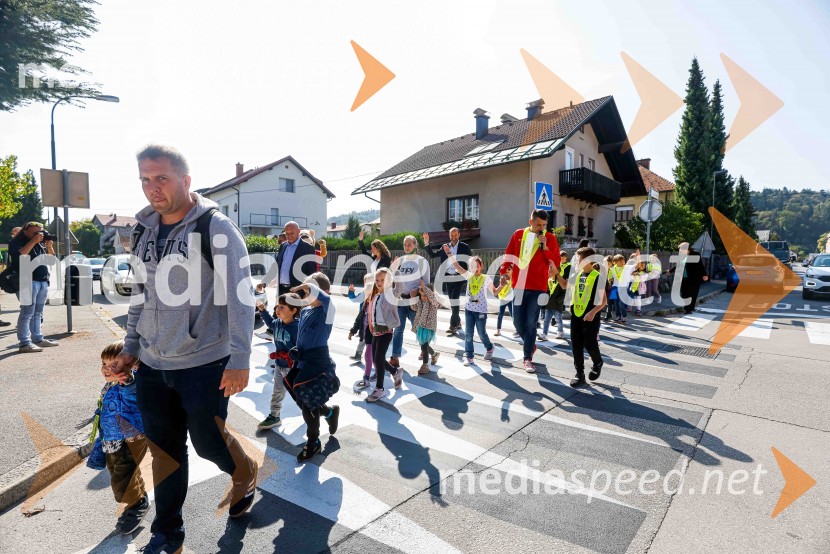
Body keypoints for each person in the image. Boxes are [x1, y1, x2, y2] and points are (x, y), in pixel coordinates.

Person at [111, 145, 257, 554]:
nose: (152, 188)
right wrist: (131, 346)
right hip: (153, 365)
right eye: (145, 179)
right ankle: (167, 534)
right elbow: (140, 295)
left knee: (209, 443)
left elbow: (241, 297)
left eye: (161, 178)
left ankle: (243, 470)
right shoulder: (141, 231)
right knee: (165, 451)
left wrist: (241, 358)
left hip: (205, 363)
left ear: (185, 181)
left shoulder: (216, 228)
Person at [86, 340, 149, 536]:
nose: (107, 369)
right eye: (104, 364)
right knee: (120, 472)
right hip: (112, 438)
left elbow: (132, 395)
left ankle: (137, 504)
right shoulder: (110, 385)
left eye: (114, 365)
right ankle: (138, 496)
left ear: (132, 365)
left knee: (122, 478)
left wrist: (128, 380)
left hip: (129, 438)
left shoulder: (129, 383)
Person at [285, 273, 341, 462]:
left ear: (324, 292)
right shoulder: (307, 310)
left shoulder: (327, 309)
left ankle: (313, 441)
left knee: (308, 404)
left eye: (310, 291)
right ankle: (330, 412)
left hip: (318, 362)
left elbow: (322, 297)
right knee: (303, 400)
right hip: (303, 360)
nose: (307, 295)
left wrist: (306, 286)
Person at [499, 210, 560, 373]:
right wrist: (504, 272)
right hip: (518, 284)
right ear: (530, 222)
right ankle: (530, 345)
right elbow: (509, 254)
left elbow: (556, 261)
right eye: (539, 224)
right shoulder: (518, 234)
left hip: (538, 287)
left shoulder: (550, 238)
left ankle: (527, 358)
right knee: (517, 322)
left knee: (531, 323)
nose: (542, 228)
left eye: (544, 225)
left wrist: (545, 247)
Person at [446, 249, 506, 366]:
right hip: (469, 310)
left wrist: (502, 286)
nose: (474, 268)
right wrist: (449, 254)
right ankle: (469, 356)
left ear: (481, 266)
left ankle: (489, 347)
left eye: (476, 265)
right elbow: (457, 266)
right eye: (472, 266)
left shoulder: (485, 278)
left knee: (481, 333)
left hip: (481, 311)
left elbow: (494, 292)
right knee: (468, 334)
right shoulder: (468, 276)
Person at [8, 221, 58, 353]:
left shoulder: (39, 243)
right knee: (27, 313)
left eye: (40, 232)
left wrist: (49, 246)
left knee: (38, 312)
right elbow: (22, 254)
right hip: (27, 281)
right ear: (25, 231)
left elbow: (51, 260)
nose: (39, 234)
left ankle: (37, 339)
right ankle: (24, 343)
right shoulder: (16, 242)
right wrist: (34, 241)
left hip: (42, 281)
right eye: (35, 232)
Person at [256, 294, 300, 430]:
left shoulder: (297, 328)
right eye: (277, 306)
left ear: (293, 311)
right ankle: (274, 416)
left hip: (293, 369)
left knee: (300, 393)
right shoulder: (277, 323)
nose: (278, 309)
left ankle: (317, 410)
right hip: (279, 366)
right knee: (277, 392)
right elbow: (270, 323)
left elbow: (302, 349)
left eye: (282, 307)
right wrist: (262, 310)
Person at [566, 247, 607, 387]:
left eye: (580, 259)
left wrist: (592, 312)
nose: (578, 262)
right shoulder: (577, 275)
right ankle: (580, 374)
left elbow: (603, 302)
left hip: (591, 317)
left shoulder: (598, 277)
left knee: (590, 344)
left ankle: (598, 362)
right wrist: (555, 274)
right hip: (576, 315)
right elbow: (565, 286)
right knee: (576, 345)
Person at [389, 235, 431, 368]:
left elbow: (427, 284)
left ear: (415, 246)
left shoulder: (422, 261)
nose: (406, 247)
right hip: (401, 301)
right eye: (404, 245)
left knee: (418, 330)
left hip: (414, 302)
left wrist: (418, 290)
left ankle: (429, 353)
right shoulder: (400, 260)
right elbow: (393, 280)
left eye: (409, 244)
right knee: (398, 330)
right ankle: (395, 357)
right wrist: (393, 270)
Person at [422, 228, 472, 335]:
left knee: (455, 300)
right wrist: (427, 243)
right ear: (449, 236)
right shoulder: (445, 247)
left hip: (459, 277)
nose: (453, 238)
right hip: (448, 277)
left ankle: (452, 325)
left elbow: (470, 261)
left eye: (455, 235)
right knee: (452, 301)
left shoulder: (465, 247)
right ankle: (458, 322)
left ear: (459, 235)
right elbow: (432, 255)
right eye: (451, 236)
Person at [366, 267, 403, 402]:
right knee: (377, 360)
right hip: (376, 331)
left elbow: (399, 287)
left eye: (383, 280)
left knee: (379, 359)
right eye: (377, 280)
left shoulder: (390, 294)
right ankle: (395, 372)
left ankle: (380, 389)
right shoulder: (376, 296)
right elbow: (372, 312)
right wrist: (370, 323)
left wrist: (396, 272)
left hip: (386, 331)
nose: (380, 282)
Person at [276, 221, 318, 297]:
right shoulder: (283, 246)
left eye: (292, 233)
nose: (289, 236)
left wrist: (309, 292)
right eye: (287, 233)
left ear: (299, 231)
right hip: (281, 290)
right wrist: (264, 282)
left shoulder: (308, 248)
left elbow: (312, 273)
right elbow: (276, 266)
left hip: (298, 291)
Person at [350, 275, 376, 388]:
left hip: (375, 335)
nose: (367, 296)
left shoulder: (377, 304)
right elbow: (359, 318)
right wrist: (352, 330)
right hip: (365, 332)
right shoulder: (365, 305)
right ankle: (389, 371)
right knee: (371, 355)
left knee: (371, 355)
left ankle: (368, 376)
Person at [411, 280, 441, 375]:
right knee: (423, 345)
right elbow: (414, 308)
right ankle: (434, 354)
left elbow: (431, 297)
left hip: (429, 327)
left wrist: (425, 289)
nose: (423, 297)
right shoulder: (421, 302)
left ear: (430, 294)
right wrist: (412, 298)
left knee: (424, 346)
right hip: (420, 326)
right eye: (422, 295)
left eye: (425, 295)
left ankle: (425, 365)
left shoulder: (434, 302)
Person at [540, 250, 571, 341]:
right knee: (546, 320)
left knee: (558, 319)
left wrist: (559, 301)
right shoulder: (550, 281)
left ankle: (560, 332)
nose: (549, 272)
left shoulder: (560, 282)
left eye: (550, 271)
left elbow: (564, 292)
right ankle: (544, 334)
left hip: (557, 304)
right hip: (549, 304)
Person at [671, 242, 709, 314]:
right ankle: (686, 307)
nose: (679, 251)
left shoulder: (695, 254)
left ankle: (689, 309)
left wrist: (705, 274)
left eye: (680, 249)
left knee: (692, 294)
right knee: (684, 293)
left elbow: (700, 265)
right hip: (684, 278)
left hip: (694, 279)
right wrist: (670, 271)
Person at [347, 275, 373, 361]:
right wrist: (353, 330)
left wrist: (351, 292)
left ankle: (364, 356)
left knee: (366, 340)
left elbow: (354, 298)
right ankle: (359, 354)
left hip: (372, 325)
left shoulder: (366, 293)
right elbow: (359, 318)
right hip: (364, 321)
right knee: (363, 339)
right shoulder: (364, 293)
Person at [494, 266, 514, 337]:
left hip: (510, 299)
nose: (507, 270)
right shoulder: (503, 277)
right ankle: (498, 330)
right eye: (506, 269)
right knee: (500, 314)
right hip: (503, 298)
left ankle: (518, 330)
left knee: (513, 315)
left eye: (509, 269)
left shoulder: (514, 278)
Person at [609, 254, 627, 323]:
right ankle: (618, 316)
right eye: (621, 261)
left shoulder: (625, 268)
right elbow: (610, 278)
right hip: (614, 287)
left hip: (623, 287)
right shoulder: (612, 269)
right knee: (615, 303)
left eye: (623, 261)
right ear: (615, 262)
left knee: (621, 303)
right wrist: (609, 279)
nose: (623, 262)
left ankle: (624, 316)